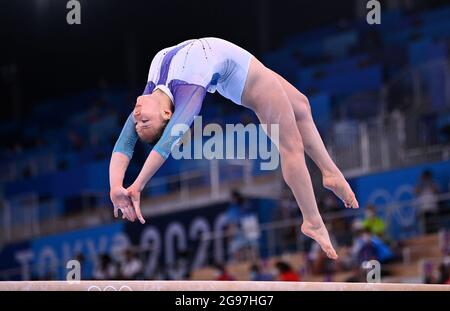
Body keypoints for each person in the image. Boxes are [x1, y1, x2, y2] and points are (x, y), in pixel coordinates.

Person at [109, 37, 359, 259]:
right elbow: (165, 145)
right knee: (291, 145)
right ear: (167, 114)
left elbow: (124, 144)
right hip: (247, 80)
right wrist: (137, 185)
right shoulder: (188, 95)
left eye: (140, 121)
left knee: (301, 106)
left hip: (235, 65)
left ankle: (330, 172)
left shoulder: (152, 91)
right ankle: (312, 220)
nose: (137, 117)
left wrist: (115, 187)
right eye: (144, 122)